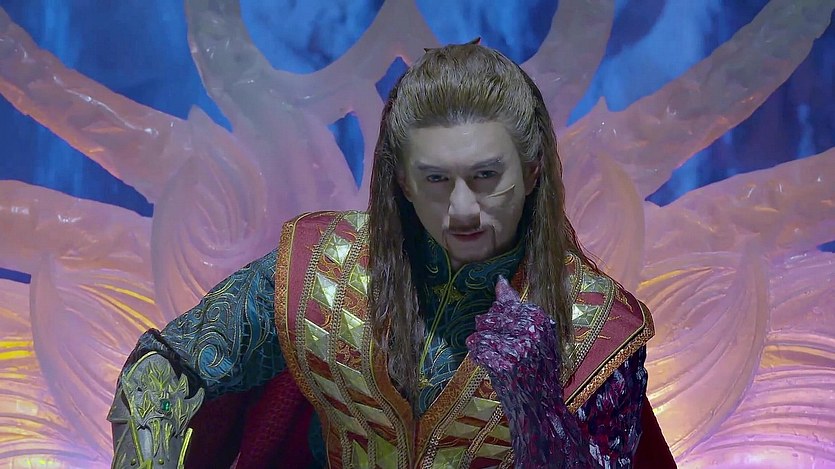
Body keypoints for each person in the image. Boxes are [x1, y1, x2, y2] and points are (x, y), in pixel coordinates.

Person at [108, 43, 675, 468]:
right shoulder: (323, 269)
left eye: (486, 176)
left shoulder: (594, 325)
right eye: (436, 179)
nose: (463, 210)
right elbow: (165, 365)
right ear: (402, 181)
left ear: (531, 172)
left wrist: (538, 411)